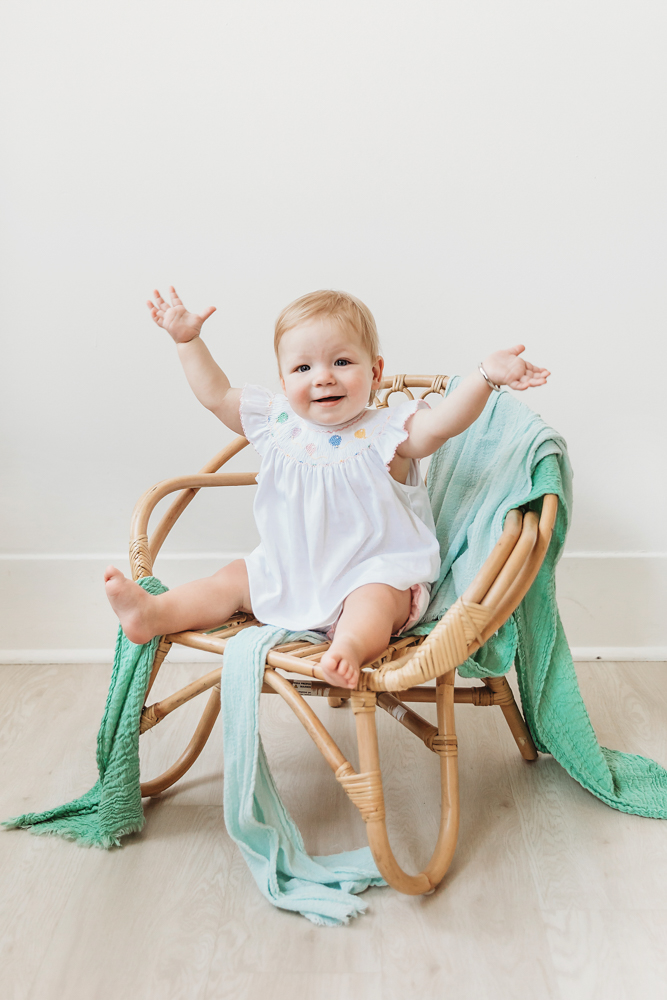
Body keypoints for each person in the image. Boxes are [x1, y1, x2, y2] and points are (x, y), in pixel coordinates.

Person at [104, 286, 550, 689]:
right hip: (289, 569)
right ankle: (153, 613)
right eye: (303, 367)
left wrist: (485, 378)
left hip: (373, 571)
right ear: (283, 382)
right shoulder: (277, 424)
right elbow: (216, 394)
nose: (323, 376)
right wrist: (188, 342)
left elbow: (445, 422)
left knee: (373, 603)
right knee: (232, 580)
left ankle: (349, 649)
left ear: (375, 372)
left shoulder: (390, 432)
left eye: (342, 361)